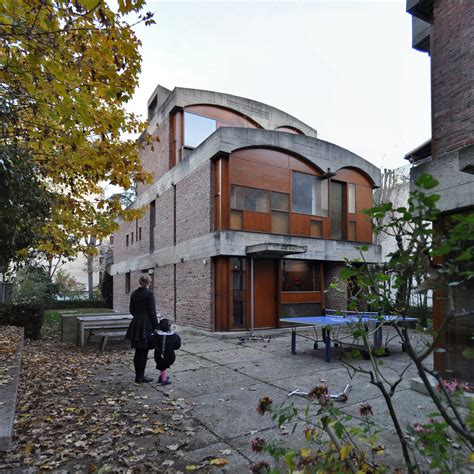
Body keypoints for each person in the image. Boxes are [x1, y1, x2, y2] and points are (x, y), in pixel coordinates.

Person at [125, 274, 159, 383]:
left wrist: (138, 317)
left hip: (136, 323)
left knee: (138, 351)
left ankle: (138, 376)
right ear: (148, 282)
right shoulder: (149, 294)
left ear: (140, 282)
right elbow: (152, 312)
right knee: (143, 351)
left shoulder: (134, 294)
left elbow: (131, 310)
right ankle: (140, 377)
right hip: (146, 325)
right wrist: (156, 327)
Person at [154, 318, 181, 385]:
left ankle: (162, 376)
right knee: (163, 366)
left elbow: (152, 342)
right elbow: (177, 346)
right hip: (169, 355)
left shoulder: (156, 335)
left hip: (158, 355)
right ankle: (163, 380)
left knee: (162, 365)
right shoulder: (174, 336)